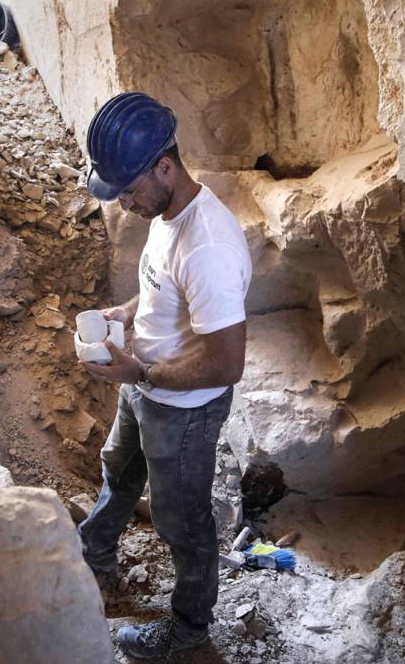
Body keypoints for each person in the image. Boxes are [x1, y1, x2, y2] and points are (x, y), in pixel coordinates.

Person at [77, 92, 253, 659]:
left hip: (185, 409)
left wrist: (140, 370)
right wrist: (126, 314)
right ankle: (93, 555)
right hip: (146, 384)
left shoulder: (210, 248)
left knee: (182, 521)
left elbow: (227, 364)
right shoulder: (165, 211)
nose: (123, 203)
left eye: (128, 190)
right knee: (118, 471)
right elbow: (160, 285)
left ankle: (188, 633)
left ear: (165, 167)